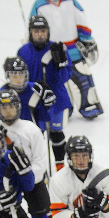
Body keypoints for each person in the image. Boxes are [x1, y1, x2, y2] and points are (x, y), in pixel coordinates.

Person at [0, 87, 56, 218]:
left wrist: (27, 178)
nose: (7, 111)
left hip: (32, 181)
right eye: (3, 108)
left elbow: (41, 160)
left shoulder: (31, 129)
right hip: (9, 183)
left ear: (18, 107)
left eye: (11, 107)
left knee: (39, 214)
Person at [30, 0, 103, 118]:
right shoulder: (39, 5)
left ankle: (88, 104)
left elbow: (81, 18)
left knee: (82, 78)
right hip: (52, 52)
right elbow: (33, 28)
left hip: (74, 49)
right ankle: (64, 108)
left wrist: (86, 39)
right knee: (57, 82)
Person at [17, 14, 73, 171]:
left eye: (43, 31)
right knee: (36, 136)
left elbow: (65, 77)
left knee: (56, 133)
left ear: (48, 32)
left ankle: (60, 167)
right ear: (30, 33)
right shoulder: (23, 51)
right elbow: (19, 79)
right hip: (34, 101)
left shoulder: (57, 49)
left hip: (57, 100)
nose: (40, 34)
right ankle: (39, 169)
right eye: (36, 31)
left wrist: (61, 64)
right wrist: (32, 86)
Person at [0, 55, 59, 144]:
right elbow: (1, 122)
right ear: (7, 75)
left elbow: (45, 118)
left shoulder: (36, 89)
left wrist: (48, 106)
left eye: (21, 74)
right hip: (11, 138)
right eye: (14, 75)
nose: (18, 79)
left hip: (33, 135)